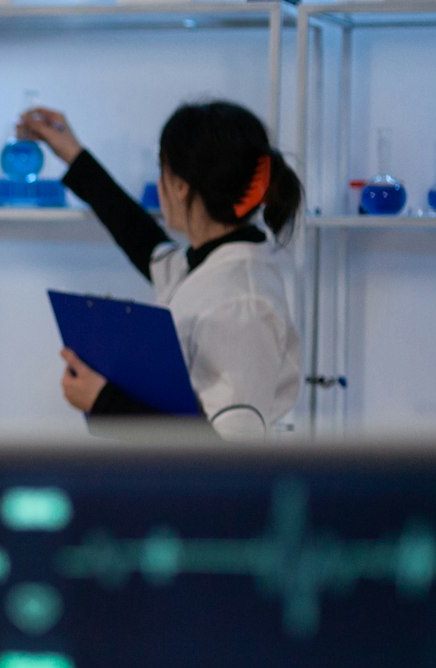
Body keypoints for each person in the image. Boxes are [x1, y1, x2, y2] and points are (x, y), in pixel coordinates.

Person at [18, 100, 303, 436]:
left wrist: (104, 402)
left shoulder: (243, 304)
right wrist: (72, 153)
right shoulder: (213, 260)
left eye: (162, 170)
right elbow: (141, 239)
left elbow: (227, 455)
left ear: (180, 185)